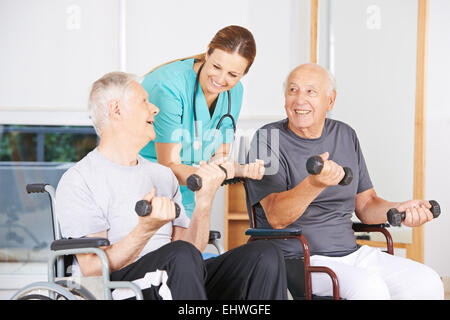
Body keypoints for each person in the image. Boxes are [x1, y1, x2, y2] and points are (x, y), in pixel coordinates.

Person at [55, 72, 287, 300]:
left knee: (264, 255)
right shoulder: (80, 179)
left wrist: (204, 201)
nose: (154, 108)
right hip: (119, 286)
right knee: (179, 257)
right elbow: (93, 268)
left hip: (175, 275)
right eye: (144, 101)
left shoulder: (162, 175)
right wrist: (144, 230)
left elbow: (192, 252)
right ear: (116, 110)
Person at [246, 63, 444, 300]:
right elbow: (276, 217)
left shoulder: (345, 134)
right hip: (298, 258)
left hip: (350, 254)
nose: (299, 100)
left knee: (427, 282)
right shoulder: (267, 139)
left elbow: (367, 205)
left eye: (311, 92)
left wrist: (399, 208)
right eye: (293, 90)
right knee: (370, 289)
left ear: (330, 101)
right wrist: (314, 184)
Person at [139, 25, 264, 218]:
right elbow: (168, 165)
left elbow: (220, 155)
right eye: (216, 66)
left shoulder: (234, 93)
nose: (221, 79)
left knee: (187, 246)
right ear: (207, 53)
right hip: (148, 189)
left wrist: (239, 169)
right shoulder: (170, 87)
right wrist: (212, 175)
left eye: (233, 75)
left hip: (191, 191)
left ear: (244, 74)